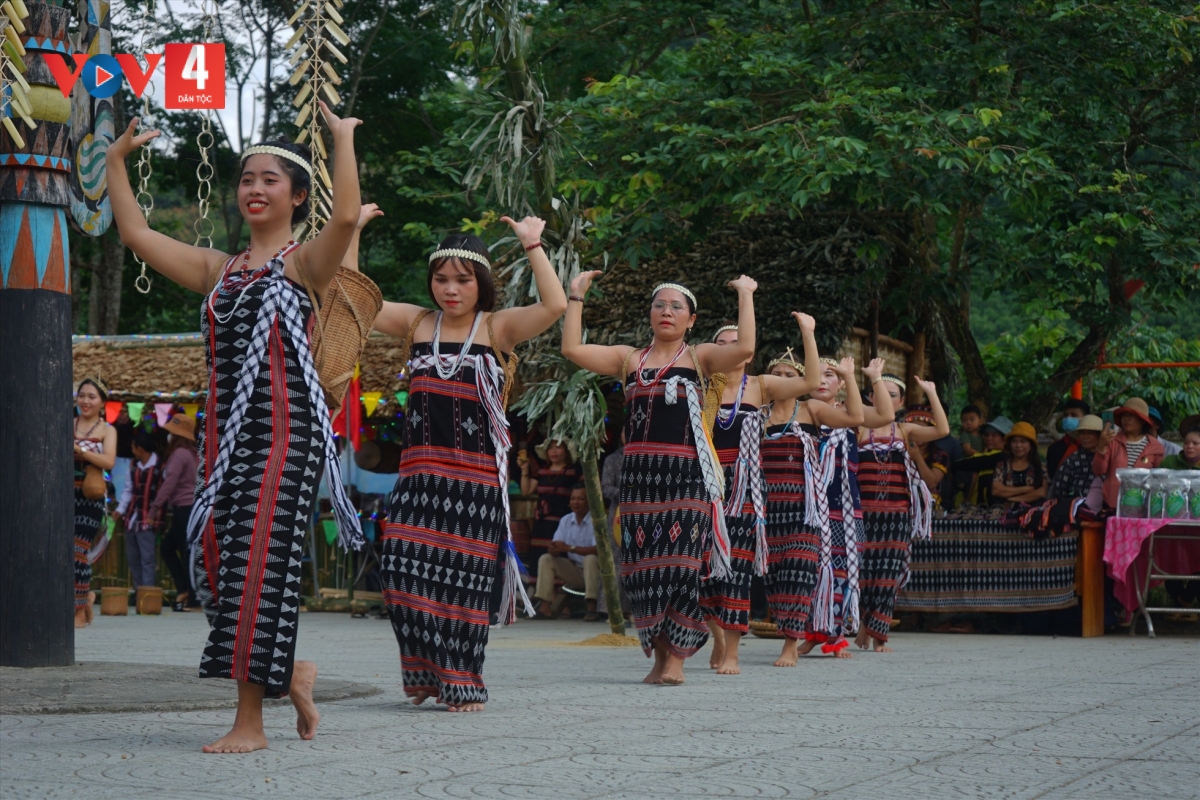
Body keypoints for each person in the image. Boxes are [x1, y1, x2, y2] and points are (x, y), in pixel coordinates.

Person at [106, 101, 365, 752]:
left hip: (287, 434)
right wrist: (114, 162)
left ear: (297, 196)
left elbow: (344, 218)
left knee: (258, 565)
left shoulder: (306, 266)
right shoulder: (217, 270)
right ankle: (291, 673)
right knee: (222, 566)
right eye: (247, 178)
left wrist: (341, 140)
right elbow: (135, 235)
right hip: (225, 441)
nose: (254, 188)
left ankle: (250, 723)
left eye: (270, 180)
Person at [366, 209, 567, 712]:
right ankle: (425, 669)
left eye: (462, 280)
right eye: (441, 279)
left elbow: (555, 304)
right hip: (418, 477)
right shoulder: (416, 322)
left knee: (463, 587)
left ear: (481, 283)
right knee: (400, 571)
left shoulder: (497, 328)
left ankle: (462, 681)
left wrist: (532, 244)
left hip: (475, 482)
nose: (451, 289)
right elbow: (351, 297)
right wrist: (350, 230)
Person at [561, 270, 759, 686]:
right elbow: (572, 349)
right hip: (639, 479)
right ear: (650, 314)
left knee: (682, 567)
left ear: (691, 319)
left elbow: (745, 347)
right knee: (643, 572)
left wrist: (746, 293)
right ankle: (660, 654)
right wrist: (575, 296)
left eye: (676, 307)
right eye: (659, 305)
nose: (667, 311)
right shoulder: (629, 359)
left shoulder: (700, 358)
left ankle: (677, 660)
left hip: (687, 476)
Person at [700, 314, 821, 675]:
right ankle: (717, 637)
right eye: (721, 344)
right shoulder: (700, 387)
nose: (729, 350)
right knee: (702, 570)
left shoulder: (760, 386)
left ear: (748, 351)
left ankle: (733, 652)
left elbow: (811, 382)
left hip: (744, 488)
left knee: (736, 570)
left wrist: (807, 333)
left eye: (736, 343)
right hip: (704, 483)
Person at [762, 354, 878, 666]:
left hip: (811, 510)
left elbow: (861, 416)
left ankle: (799, 641)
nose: (782, 379)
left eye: (790, 374)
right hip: (769, 510)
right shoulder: (758, 415)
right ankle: (806, 633)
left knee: (804, 575)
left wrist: (853, 376)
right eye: (776, 373)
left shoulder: (813, 410)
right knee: (777, 581)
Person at [856, 373, 950, 652]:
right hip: (862, 513)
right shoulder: (858, 428)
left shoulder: (904, 430)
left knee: (888, 574)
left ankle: (880, 635)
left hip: (897, 513)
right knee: (863, 573)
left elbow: (942, 430)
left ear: (900, 402)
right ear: (870, 398)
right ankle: (862, 625)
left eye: (892, 394)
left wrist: (931, 392)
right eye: (879, 392)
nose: (885, 398)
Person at [72, 379, 117, 629]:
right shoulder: (68, 423)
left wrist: (81, 452)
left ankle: (79, 610)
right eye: (82, 395)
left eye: (92, 396)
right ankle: (83, 597)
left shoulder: (107, 430)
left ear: (102, 401)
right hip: (64, 494)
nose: (85, 401)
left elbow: (109, 462)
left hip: (90, 496)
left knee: (77, 549)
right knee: (61, 551)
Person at [1018, 415, 1105, 537]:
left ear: (1100, 436)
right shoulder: (1073, 459)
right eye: (1082, 433)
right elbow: (1059, 488)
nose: (1085, 437)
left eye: (1090, 433)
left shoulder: (1109, 457)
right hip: (1076, 513)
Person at [152, 413, 201, 612]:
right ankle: (185, 590)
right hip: (189, 508)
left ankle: (194, 599)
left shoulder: (179, 454)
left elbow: (169, 482)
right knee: (168, 548)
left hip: (184, 508)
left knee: (186, 553)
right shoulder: (192, 453)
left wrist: (155, 507)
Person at [533, 485, 601, 620]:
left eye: (580, 499)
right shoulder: (566, 519)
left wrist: (570, 548)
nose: (575, 502)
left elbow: (598, 549)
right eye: (573, 499)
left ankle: (592, 607)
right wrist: (554, 549)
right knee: (546, 558)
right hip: (576, 572)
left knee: (590, 559)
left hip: (598, 574)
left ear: (589, 501)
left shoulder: (596, 520)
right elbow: (557, 543)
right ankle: (545, 607)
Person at [1093, 397, 1165, 511]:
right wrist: (1101, 446)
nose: (1126, 419)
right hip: (1112, 506)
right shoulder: (1112, 441)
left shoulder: (1155, 446)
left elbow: (1159, 479)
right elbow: (1098, 470)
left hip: (1142, 506)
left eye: (1131, 415)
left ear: (1142, 420)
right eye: (1124, 415)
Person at [521, 439, 582, 572]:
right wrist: (524, 470)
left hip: (564, 521)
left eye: (558, 447)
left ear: (566, 452)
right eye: (550, 448)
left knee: (559, 552)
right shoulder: (541, 471)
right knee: (539, 557)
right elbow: (526, 491)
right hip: (541, 523)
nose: (554, 451)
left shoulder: (574, 471)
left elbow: (583, 493)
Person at [113, 431, 161, 592]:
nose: (132, 450)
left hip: (148, 519)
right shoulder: (134, 465)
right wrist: (120, 509)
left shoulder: (160, 466)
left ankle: (147, 593)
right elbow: (128, 490)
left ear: (140, 449)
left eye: (133, 447)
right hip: (132, 518)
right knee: (133, 559)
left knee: (147, 559)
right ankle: (138, 591)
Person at [953, 416, 1012, 506]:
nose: (989, 438)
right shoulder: (986, 454)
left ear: (1005, 440)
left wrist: (953, 465)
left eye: (994, 435)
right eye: (987, 435)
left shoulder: (1002, 457)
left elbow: (972, 463)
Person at [991, 422, 1047, 506]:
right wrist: (1025, 489)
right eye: (1014, 441)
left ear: (1031, 444)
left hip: (1033, 512)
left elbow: (1042, 492)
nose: (1018, 445)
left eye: (1022, 441)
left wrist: (1012, 499)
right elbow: (996, 490)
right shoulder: (1002, 466)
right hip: (1006, 513)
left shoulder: (1040, 467)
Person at [1047, 399, 1092, 476]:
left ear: (1086, 418)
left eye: (1074, 415)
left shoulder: (1094, 447)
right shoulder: (1054, 448)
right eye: (1066, 415)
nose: (1068, 418)